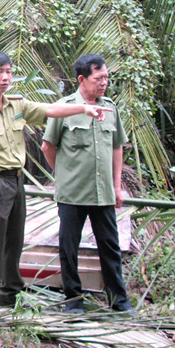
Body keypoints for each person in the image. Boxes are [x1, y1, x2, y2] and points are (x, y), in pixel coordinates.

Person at [0, 50, 111, 318]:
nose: (6, 77)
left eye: (8, 71)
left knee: (14, 243)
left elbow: (50, 110)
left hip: (16, 183)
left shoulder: (16, 105)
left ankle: (10, 297)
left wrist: (84, 108)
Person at [41, 54, 134, 315]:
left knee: (110, 246)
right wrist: (63, 173)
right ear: (82, 79)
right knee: (69, 247)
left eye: (106, 77)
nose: (104, 83)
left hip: (103, 192)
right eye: (99, 78)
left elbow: (117, 149)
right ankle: (73, 299)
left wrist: (117, 187)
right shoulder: (64, 107)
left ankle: (119, 300)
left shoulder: (111, 108)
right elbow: (48, 146)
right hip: (72, 193)